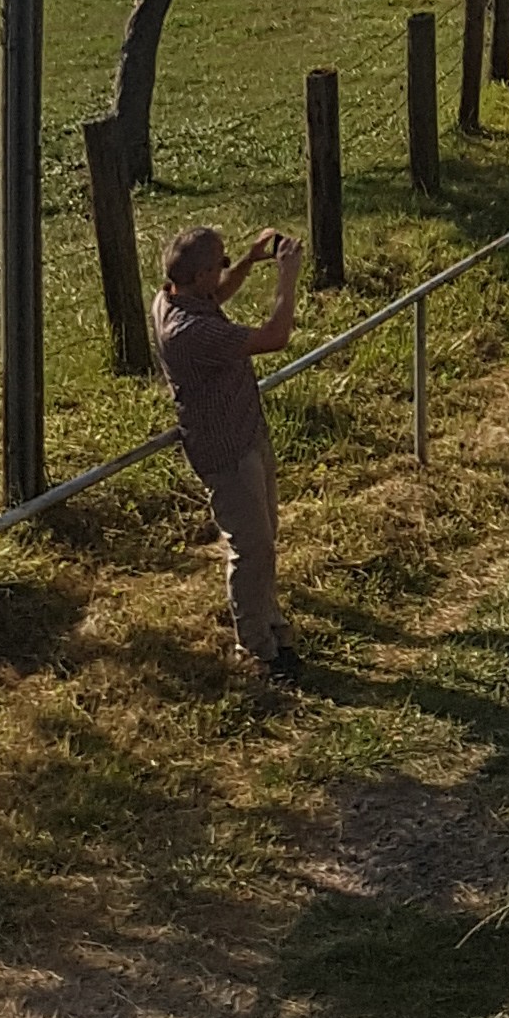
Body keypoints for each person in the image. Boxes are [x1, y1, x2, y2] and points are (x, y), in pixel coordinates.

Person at [152, 221, 305, 680]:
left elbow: (215, 296)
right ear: (200, 276)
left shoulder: (173, 296)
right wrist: (287, 275)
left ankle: (270, 623)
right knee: (250, 548)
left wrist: (248, 262)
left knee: (264, 540)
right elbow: (274, 337)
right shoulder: (189, 332)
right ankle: (256, 650)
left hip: (246, 433)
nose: (225, 268)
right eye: (220, 262)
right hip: (227, 451)